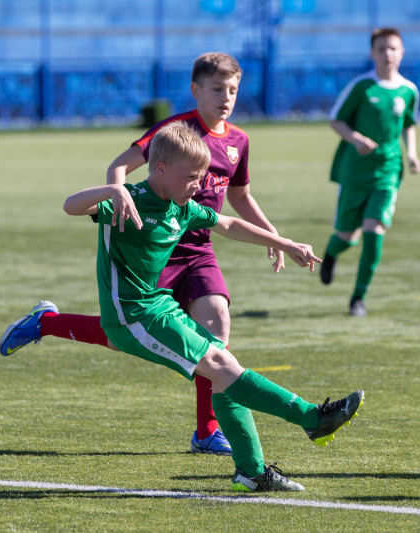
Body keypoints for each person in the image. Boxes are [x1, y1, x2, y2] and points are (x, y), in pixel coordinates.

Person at [0, 52, 283, 456]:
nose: (226, 97)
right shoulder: (175, 131)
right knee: (121, 337)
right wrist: (119, 197)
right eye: (217, 88)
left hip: (198, 248)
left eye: (233, 90)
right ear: (195, 90)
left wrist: (272, 235)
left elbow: (239, 197)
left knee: (216, 326)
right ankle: (48, 322)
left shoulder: (239, 140)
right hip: (156, 246)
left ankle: (207, 430)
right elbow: (121, 166)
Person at [60, 120, 364, 491]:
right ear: (161, 169)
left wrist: (284, 243)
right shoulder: (130, 200)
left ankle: (251, 472)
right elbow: (70, 206)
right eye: (192, 176)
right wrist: (113, 188)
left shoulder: (182, 207)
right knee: (221, 365)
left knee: (224, 367)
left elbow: (229, 224)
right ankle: (312, 418)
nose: (200, 184)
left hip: (159, 307)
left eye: (203, 176)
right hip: (131, 318)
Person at [319, 27, 420, 317]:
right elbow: (336, 120)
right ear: (372, 53)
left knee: (374, 231)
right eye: (381, 49)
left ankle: (358, 298)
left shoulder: (409, 90)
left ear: (401, 53)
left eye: (393, 49)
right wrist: (356, 139)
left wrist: (411, 153)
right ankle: (331, 253)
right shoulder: (362, 86)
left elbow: (409, 123)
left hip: (389, 171)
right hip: (355, 172)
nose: (387, 54)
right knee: (347, 236)